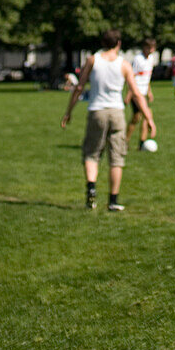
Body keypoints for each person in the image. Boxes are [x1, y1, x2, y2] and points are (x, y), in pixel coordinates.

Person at [61, 28, 155, 212]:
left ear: (103, 43)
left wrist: (68, 112)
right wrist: (148, 117)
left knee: (91, 154)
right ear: (118, 44)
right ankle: (113, 200)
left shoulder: (93, 60)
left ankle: (91, 189)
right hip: (117, 112)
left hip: (97, 111)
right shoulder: (124, 64)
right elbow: (136, 93)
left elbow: (79, 87)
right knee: (116, 158)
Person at [126, 37, 157, 148]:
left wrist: (149, 92)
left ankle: (141, 142)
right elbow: (131, 77)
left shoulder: (151, 59)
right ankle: (126, 141)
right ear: (144, 47)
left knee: (142, 116)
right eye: (150, 48)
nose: (152, 50)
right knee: (140, 117)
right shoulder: (138, 59)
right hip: (136, 93)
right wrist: (129, 94)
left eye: (153, 48)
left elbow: (147, 77)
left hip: (143, 93)